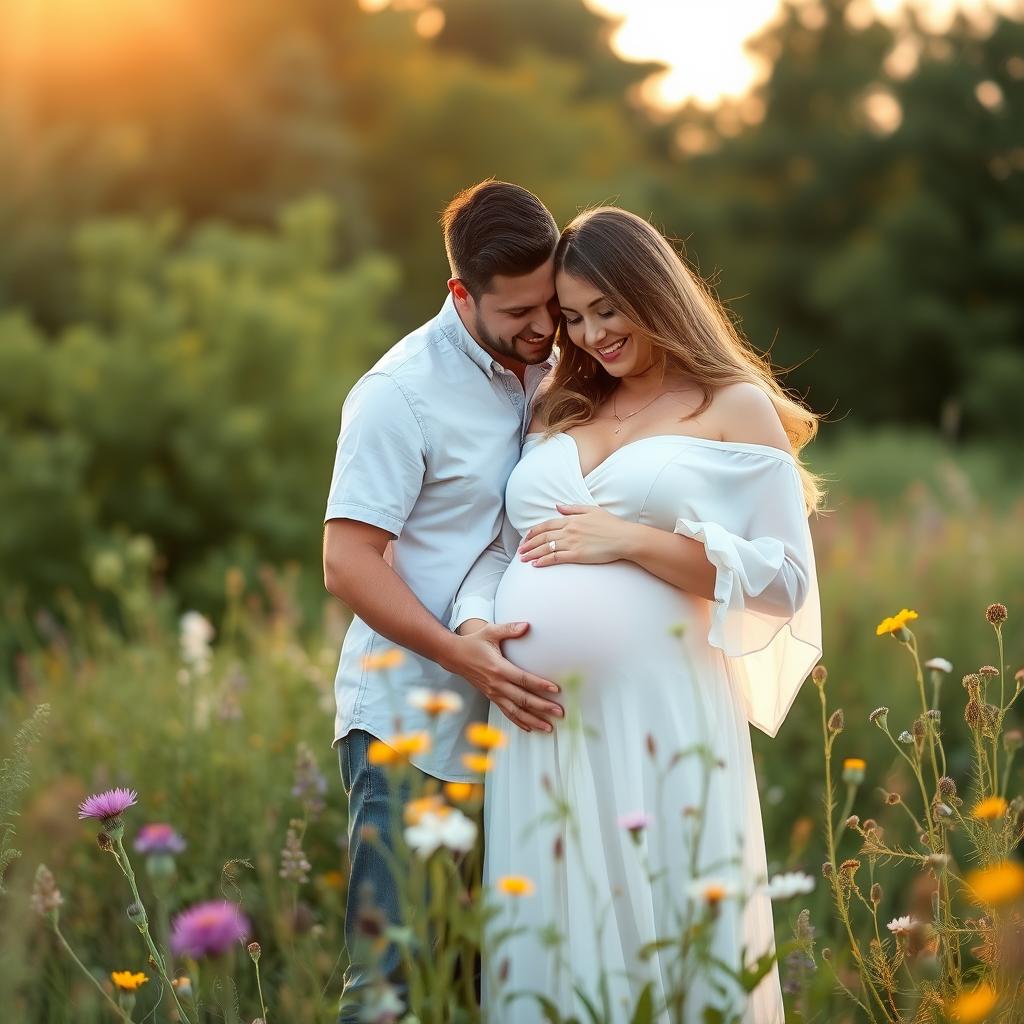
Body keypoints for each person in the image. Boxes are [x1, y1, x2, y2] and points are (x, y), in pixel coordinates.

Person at [453, 207, 823, 1022]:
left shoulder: (733, 405)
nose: (590, 336)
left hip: (661, 713)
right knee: (556, 934)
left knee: (669, 922)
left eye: (606, 309)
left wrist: (629, 539)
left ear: (651, 291)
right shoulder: (560, 402)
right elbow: (501, 547)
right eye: (573, 318)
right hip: (539, 726)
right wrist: (476, 624)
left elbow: (786, 582)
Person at [322, 179, 567, 1020]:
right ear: (461, 293)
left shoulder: (552, 362)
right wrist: (458, 650)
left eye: (551, 303)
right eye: (519, 314)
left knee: (477, 987)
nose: (543, 327)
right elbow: (348, 562)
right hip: (407, 729)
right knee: (392, 987)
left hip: (510, 737)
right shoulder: (398, 393)